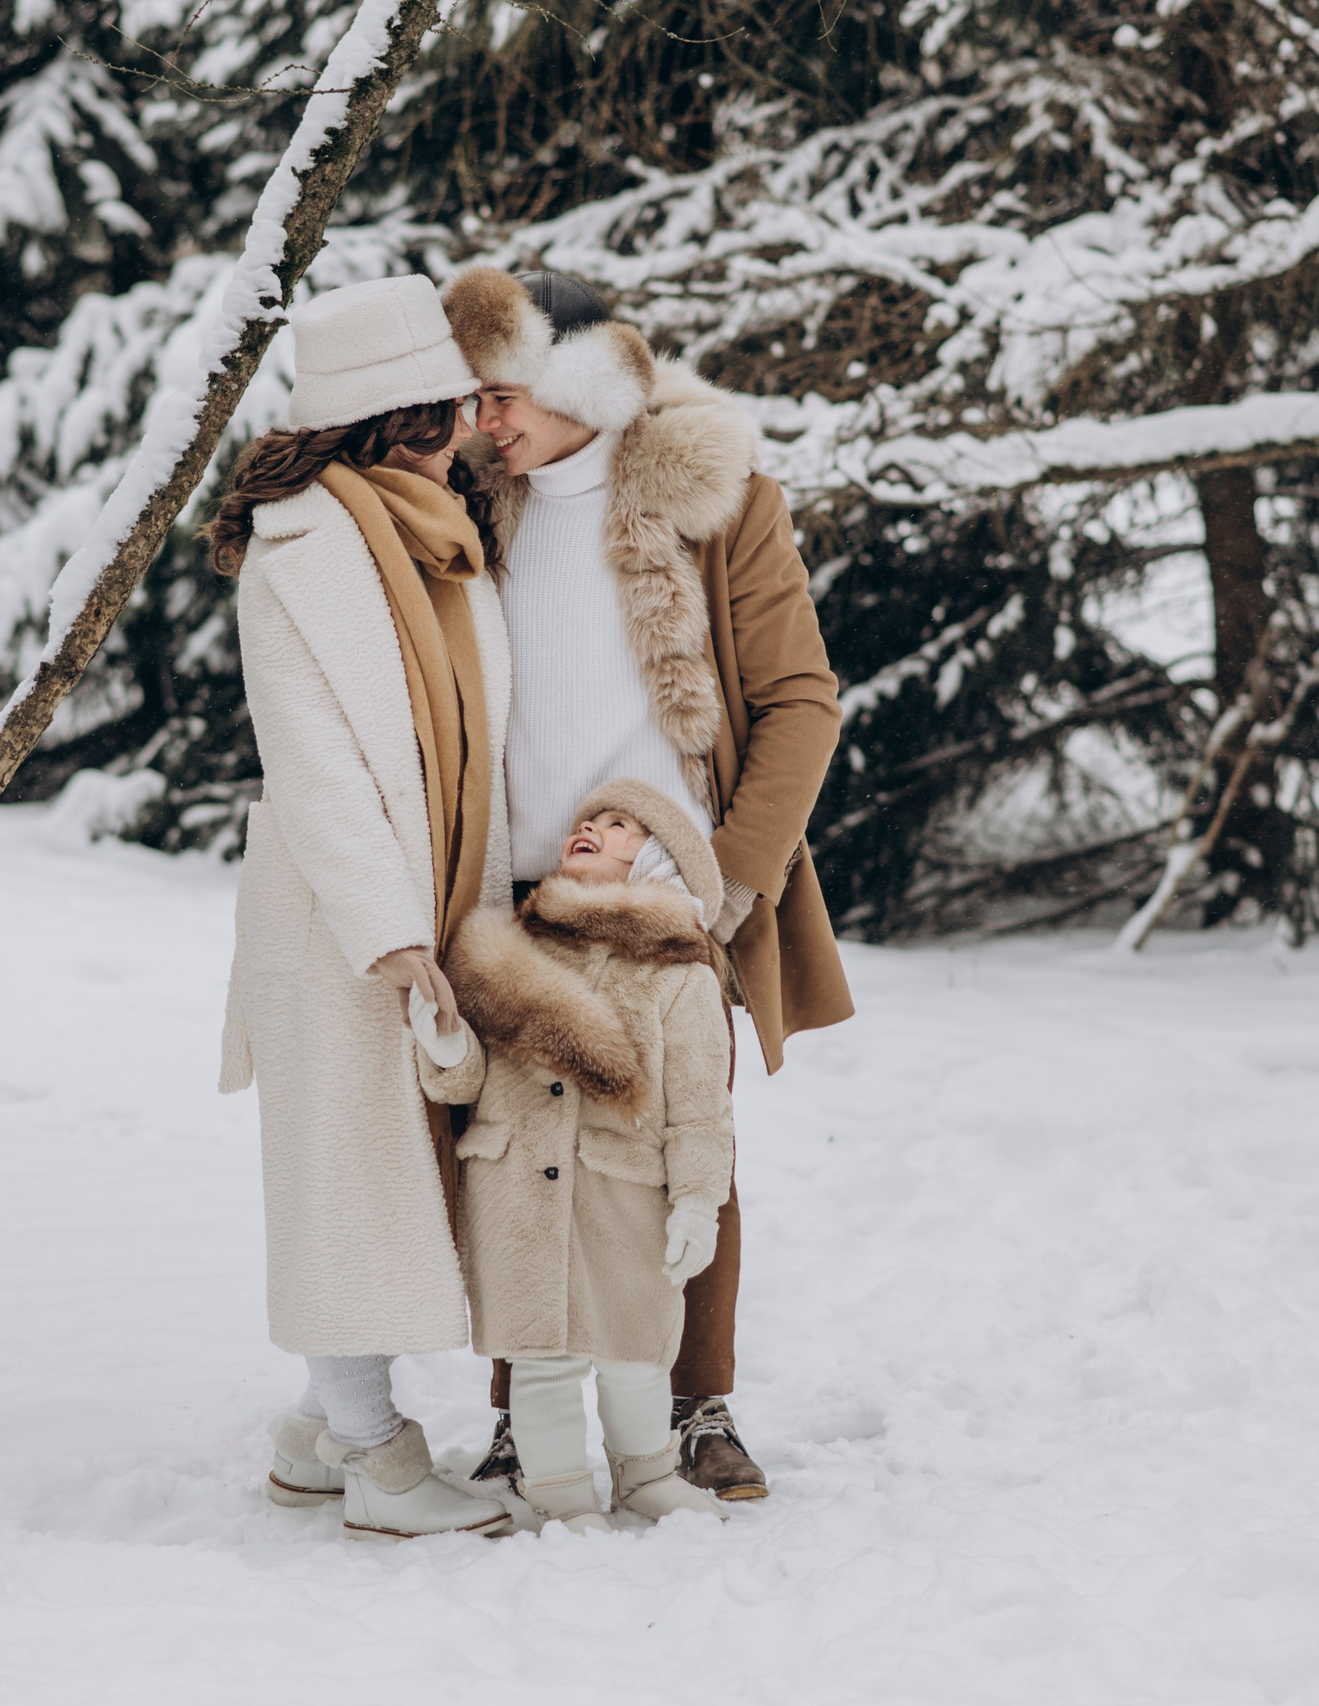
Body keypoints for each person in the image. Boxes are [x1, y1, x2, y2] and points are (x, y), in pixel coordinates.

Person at [438, 265, 855, 1500]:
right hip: (510, 895)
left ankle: (695, 1404)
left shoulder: (717, 500)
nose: (484, 419)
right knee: (516, 1157)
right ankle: (528, 1412)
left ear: (582, 381)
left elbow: (799, 702)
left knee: (682, 1152)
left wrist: (725, 881)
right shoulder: (462, 508)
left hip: (669, 895)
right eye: (472, 395)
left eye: (503, 392)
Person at [209, 275, 515, 1542]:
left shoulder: (441, 535)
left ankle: (316, 1436)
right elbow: (315, 756)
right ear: (399, 421)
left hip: (435, 888)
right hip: (344, 910)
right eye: (451, 415)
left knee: (392, 1173)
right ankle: (378, 1455)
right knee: (347, 1178)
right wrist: (388, 931)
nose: (473, 437)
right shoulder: (303, 550)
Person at [418, 781, 734, 1532]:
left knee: (634, 1350)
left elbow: (699, 1106)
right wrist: (445, 1044)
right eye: (586, 820)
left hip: (624, 1192)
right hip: (515, 1191)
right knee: (541, 1359)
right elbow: (468, 1082)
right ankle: (556, 1490)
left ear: (657, 861)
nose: (590, 829)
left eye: (619, 826)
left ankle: (647, 1474)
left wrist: (697, 1200)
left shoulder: (681, 976)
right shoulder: (504, 949)